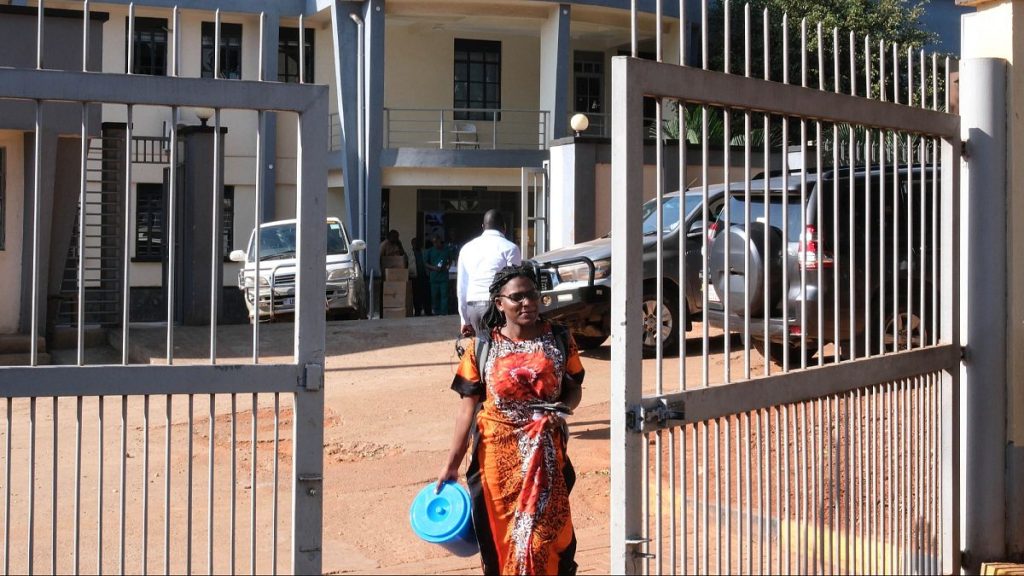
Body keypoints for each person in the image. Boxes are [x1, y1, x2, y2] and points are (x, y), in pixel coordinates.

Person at [437, 264, 585, 575]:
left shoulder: (559, 338)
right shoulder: (481, 347)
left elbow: (574, 388)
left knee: (546, 540)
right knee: (503, 543)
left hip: (546, 458)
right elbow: (467, 410)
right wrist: (451, 465)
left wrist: (560, 411)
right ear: (499, 303)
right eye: (517, 297)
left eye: (532, 295)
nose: (527, 303)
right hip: (495, 462)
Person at [457, 210, 522, 337]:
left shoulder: (467, 248)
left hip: (473, 306)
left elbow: (461, 287)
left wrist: (464, 319)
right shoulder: (510, 248)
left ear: (483, 227)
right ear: (504, 227)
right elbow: (514, 283)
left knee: (481, 346)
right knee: (501, 348)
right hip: (498, 306)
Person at [423, 235, 451, 315]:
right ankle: (436, 312)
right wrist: (433, 268)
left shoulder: (446, 250)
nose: (435, 244)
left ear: (440, 241)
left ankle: (444, 313)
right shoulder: (430, 251)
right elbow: (425, 263)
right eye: (434, 242)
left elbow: (450, 260)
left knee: (444, 295)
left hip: (443, 277)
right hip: (434, 277)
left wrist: (448, 267)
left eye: (437, 242)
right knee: (435, 296)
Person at [410, 236, 431, 316]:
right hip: (414, 277)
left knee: (426, 295)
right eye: (414, 243)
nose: (416, 245)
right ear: (412, 244)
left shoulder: (424, 252)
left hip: (425, 276)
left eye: (418, 243)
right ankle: (417, 312)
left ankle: (428, 311)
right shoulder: (409, 254)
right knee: (416, 296)